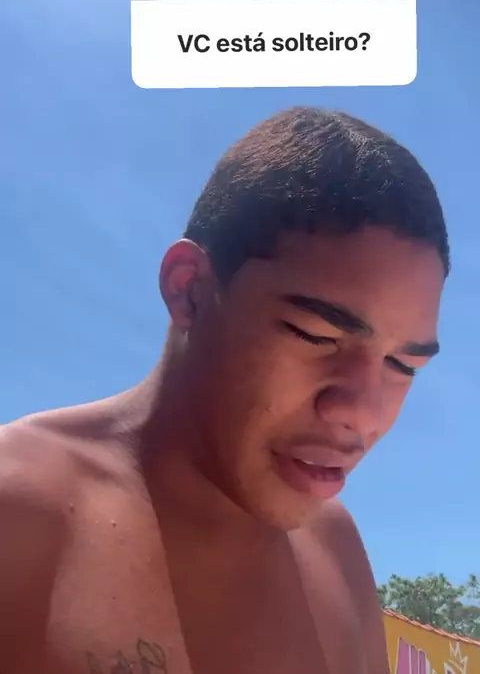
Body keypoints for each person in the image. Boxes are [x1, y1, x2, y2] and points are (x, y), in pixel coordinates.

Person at [0, 107, 448, 674]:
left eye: (403, 365)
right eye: (316, 335)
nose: (361, 413)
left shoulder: (334, 550)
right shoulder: (18, 515)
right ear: (188, 289)